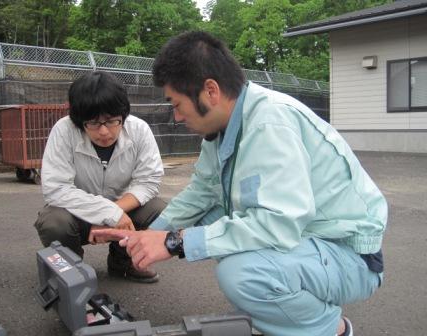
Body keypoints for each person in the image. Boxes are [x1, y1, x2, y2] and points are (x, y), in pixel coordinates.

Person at [93, 31, 387, 335]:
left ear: (210, 91)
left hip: (350, 255)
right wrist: (147, 236)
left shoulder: (269, 123)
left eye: (178, 104)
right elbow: (202, 193)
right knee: (208, 219)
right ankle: (280, 311)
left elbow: (278, 223)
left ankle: (331, 329)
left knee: (242, 274)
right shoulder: (223, 128)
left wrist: (174, 242)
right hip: (310, 238)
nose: (177, 116)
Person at [34, 71, 166, 283]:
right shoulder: (64, 130)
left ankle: (123, 263)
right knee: (53, 222)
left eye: (112, 121)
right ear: (79, 121)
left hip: (124, 212)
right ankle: (72, 274)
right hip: (78, 215)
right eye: (93, 123)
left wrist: (114, 212)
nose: (104, 131)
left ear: (123, 115)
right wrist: (106, 213)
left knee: (158, 210)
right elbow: (56, 188)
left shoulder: (139, 130)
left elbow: (148, 181)